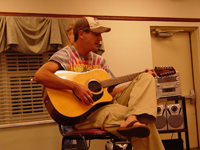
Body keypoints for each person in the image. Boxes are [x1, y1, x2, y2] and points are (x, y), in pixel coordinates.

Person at [34, 17, 165, 150]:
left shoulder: (100, 61)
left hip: (109, 106)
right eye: (96, 34)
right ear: (81, 34)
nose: (101, 39)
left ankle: (132, 117)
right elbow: (40, 75)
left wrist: (137, 88)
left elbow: (110, 93)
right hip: (84, 115)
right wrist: (75, 86)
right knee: (144, 124)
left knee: (145, 77)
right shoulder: (66, 55)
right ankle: (133, 118)